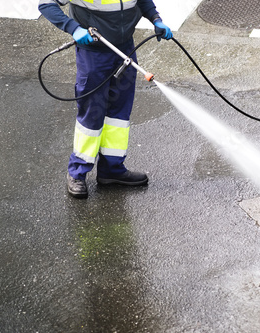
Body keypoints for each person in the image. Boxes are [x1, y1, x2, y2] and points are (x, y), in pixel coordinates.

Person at [38, 0, 172, 199]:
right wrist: (74, 29)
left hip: (125, 49)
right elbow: (46, 4)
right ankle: (78, 173)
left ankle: (112, 169)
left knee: (119, 114)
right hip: (94, 54)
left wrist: (156, 19)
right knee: (92, 114)